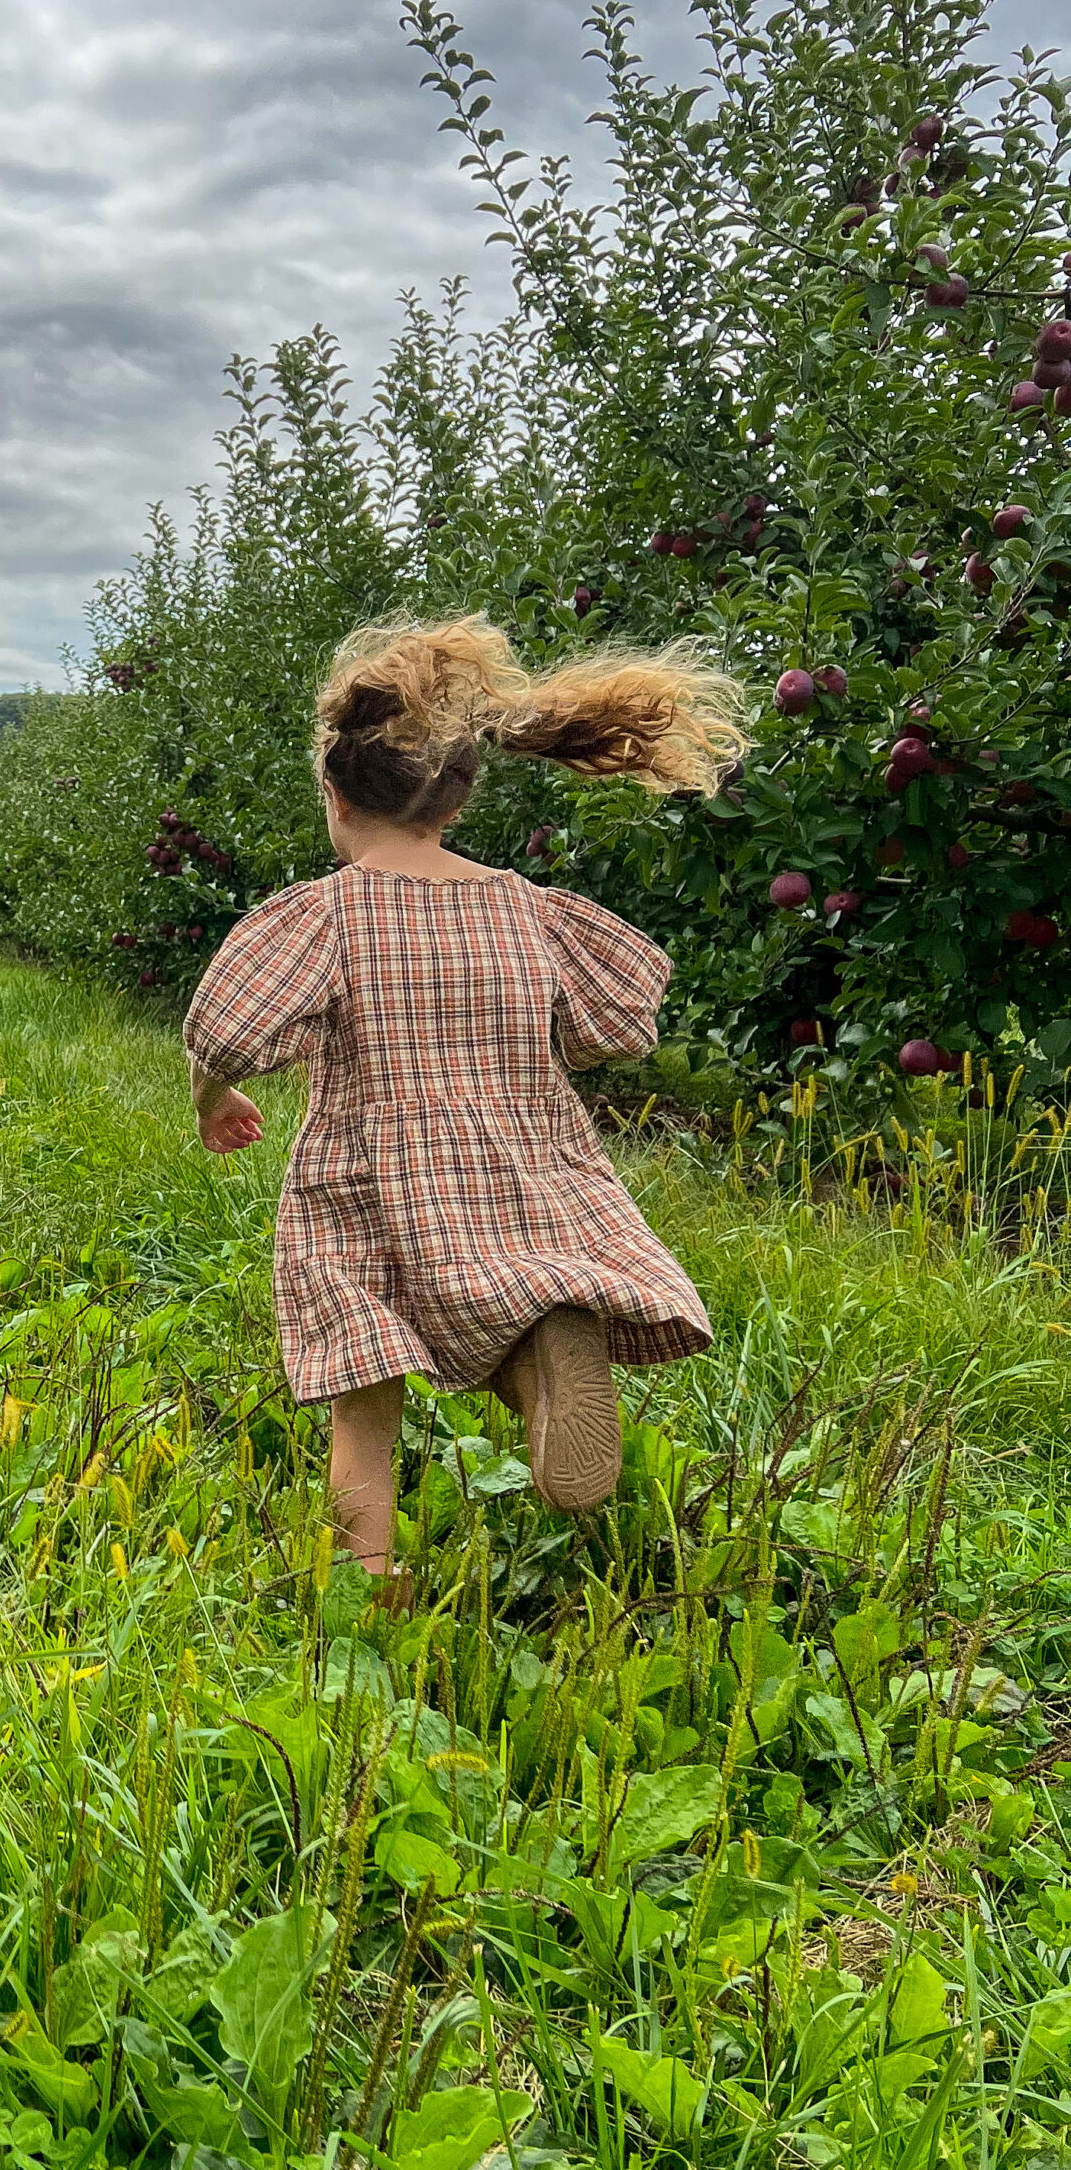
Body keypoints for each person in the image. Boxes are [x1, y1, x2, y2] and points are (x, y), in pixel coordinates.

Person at [182, 615, 744, 1592]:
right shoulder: (527, 908)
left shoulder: (325, 911)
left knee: (362, 1401)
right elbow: (617, 1027)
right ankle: (535, 1361)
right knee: (493, 1298)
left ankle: (364, 1590)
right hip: (520, 1167)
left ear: (334, 793)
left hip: (365, 1175)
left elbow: (224, 1027)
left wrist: (213, 1095)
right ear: (451, 799)